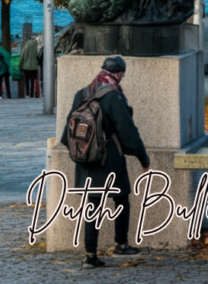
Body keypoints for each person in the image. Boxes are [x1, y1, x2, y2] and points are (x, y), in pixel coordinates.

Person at [59, 57, 151, 270]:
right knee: (121, 199)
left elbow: (68, 133)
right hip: (109, 159)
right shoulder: (113, 96)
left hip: (84, 160)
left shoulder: (82, 93)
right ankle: (121, 244)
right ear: (118, 74)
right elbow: (128, 133)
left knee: (92, 206)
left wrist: (82, 153)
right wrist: (143, 159)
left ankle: (90, 256)